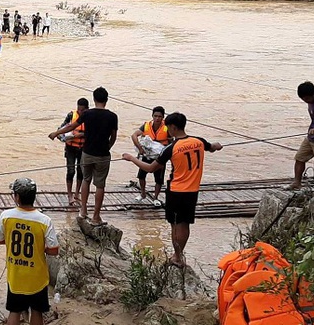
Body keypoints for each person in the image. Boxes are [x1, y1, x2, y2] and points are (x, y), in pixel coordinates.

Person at [122, 113, 223, 266]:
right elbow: (213, 147)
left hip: (176, 190)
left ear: (174, 127)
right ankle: (179, 254)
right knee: (185, 223)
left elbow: (150, 168)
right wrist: (218, 145)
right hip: (193, 190)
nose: (168, 131)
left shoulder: (171, 148)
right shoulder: (199, 141)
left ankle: (177, 257)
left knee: (175, 224)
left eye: (168, 127)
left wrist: (131, 158)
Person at [0, 178, 59, 325]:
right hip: (37, 277)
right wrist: (39, 247)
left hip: (16, 275)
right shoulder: (44, 220)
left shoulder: (6, 216)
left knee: (14, 311)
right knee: (36, 311)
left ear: (17, 197)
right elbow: (54, 250)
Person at [49, 87, 117, 225]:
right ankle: (96, 217)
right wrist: (107, 148)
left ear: (94, 99)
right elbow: (113, 137)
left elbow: (70, 127)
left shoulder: (87, 114)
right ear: (107, 100)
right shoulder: (112, 116)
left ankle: (83, 211)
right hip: (103, 154)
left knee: (86, 180)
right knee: (100, 185)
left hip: (87, 152)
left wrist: (56, 133)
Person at [131, 107, 170, 206]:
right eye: (155, 116)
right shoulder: (146, 125)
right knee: (141, 175)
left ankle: (155, 198)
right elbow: (134, 135)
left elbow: (171, 142)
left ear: (163, 117)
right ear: (152, 116)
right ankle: (143, 193)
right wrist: (139, 148)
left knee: (159, 179)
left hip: (159, 156)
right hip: (147, 154)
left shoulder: (167, 127)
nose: (157, 119)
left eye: (160, 117)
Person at [59, 98, 88, 205]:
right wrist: (63, 136)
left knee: (81, 171)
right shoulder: (71, 115)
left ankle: (77, 193)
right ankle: (70, 195)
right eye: (79, 110)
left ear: (87, 109)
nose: (80, 112)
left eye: (82, 110)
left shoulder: (89, 117)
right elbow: (62, 128)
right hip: (70, 148)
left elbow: (93, 132)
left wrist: (81, 135)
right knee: (71, 171)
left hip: (83, 148)